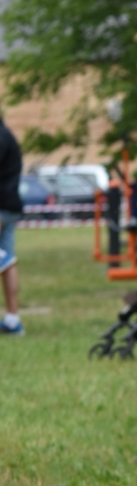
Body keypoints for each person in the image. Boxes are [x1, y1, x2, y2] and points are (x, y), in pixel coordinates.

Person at [0, 109, 24, 336]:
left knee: (5, 260)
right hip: (10, 207)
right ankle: (12, 319)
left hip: (2, 207)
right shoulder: (7, 135)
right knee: (6, 261)